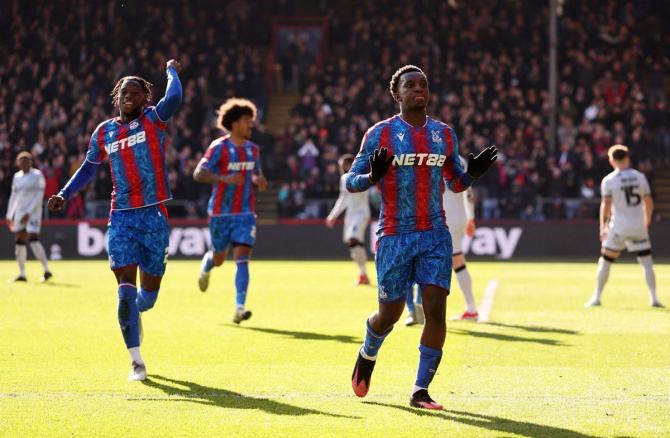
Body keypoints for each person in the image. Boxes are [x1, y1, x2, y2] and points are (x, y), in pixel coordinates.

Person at [346, 65, 497, 410]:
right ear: (396, 94)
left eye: (423, 85)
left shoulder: (443, 134)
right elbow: (349, 181)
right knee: (391, 314)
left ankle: (420, 390)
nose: (418, 89)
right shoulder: (379, 134)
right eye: (410, 85)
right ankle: (368, 352)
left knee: (436, 310)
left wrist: (472, 174)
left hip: (435, 234)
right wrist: (373, 174)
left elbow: (454, 183)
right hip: (394, 235)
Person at [48, 59, 183, 381]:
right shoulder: (104, 131)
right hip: (120, 216)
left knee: (147, 298)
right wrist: (65, 193)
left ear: (145, 98)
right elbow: (88, 168)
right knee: (124, 289)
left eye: (136, 92)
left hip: (154, 214)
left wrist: (171, 71)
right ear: (116, 97)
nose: (129, 96)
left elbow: (175, 98)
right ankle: (136, 362)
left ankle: (138, 313)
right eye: (124, 92)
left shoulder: (153, 119)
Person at [194, 98, 268, 324]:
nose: (251, 125)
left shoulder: (253, 150)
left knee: (243, 259)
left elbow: (256, 173)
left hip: (245, 213)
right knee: (219, 258)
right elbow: (198, 173)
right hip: (220, 213)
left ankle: (239, 307)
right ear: (234, 123)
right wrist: (223, 178)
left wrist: (258, 181)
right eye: (247, 121)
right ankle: (207, 265)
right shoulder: (219, 148)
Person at [585, 144, 663, 308]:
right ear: (627, 158)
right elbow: (648, 202)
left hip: (619, 227)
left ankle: (597, 297)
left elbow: (605, 206)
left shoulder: (609, 180)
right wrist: (647, 221)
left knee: (606, 260)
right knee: (647, 263)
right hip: (638, 226)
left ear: (611, 160)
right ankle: (654, 298)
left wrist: (602, 227)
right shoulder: (640, 177)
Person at [405, 161, 479, 325]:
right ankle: (470, 308)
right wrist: (471, 218)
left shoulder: (434, 156)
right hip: (459, 217)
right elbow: (468, 191)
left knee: (431, 264)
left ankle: (426, 312)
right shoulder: (460, 159)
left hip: (444, 218)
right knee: (457, 262)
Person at [325, 153, 371, 285]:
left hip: (361, 213)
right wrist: (333, 215)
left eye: (343, 164)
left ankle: (363, 274)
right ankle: (363, 274)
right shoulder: (344, 179)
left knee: (354, 239)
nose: (342, 167)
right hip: (351, 215)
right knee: (354, 244)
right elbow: (343, 199)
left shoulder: (362, 175)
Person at [6, 151, 52, 282]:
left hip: (33, 213)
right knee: (19, 241)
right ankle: (22, 274)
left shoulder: (37, 176)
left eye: (26, 161)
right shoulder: (17, 177)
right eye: (21, 162)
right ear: (18, 164)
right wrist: (10, 215)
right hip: (19, 213)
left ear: (31, 162)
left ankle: (47, 270)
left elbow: (39, 196)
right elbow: (13, 197)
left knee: (33, 239)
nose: (24, 164)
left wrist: (29, 212)